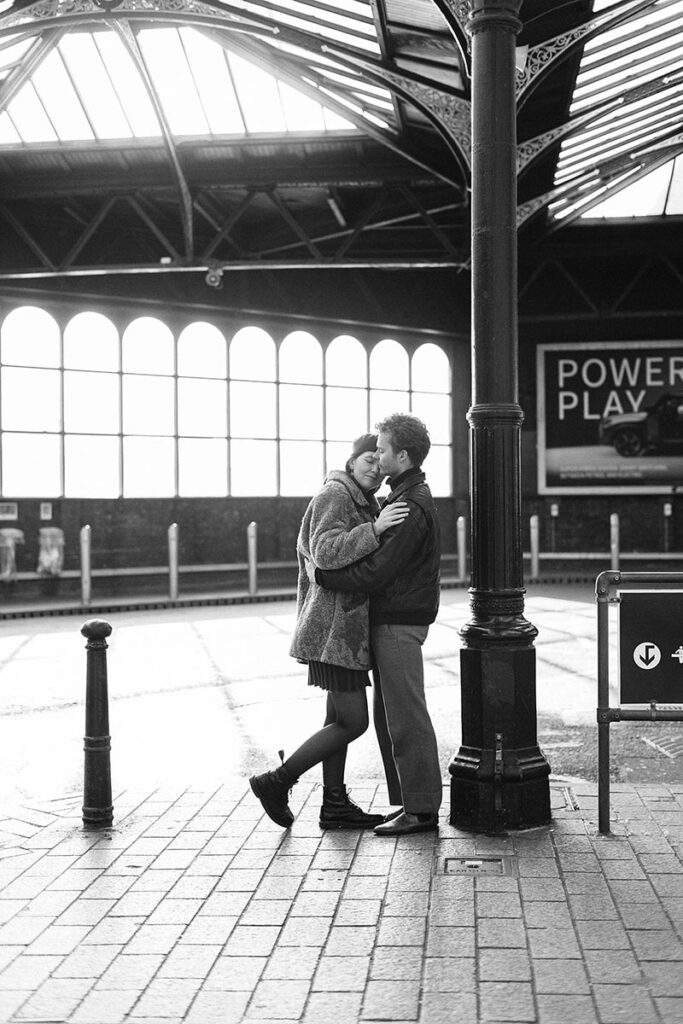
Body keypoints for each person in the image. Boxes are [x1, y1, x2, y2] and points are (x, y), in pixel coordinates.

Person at [249, 433, 409, 830]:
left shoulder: (359, 498)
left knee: (336, 720)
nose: (375, 467)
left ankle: (334, 803)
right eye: (368, 459)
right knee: (353, 723)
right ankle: (275, 781)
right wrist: (376, 529)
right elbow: (325, 551)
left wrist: (375, 519)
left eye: (379, 460)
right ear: (351, 461)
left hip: (343, 631)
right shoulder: (336, 494)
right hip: (333, 630)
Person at [315, 412, 442, 836]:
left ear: (401, 455)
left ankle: (421, 810)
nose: (378, 456)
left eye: (383, 450)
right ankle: (412, 803)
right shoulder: (400, 495)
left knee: (406, 717)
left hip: (398, 621)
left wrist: (325, 576)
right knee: (393, 716)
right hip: (393, 618)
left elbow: (377, 572)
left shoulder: (409, 502)